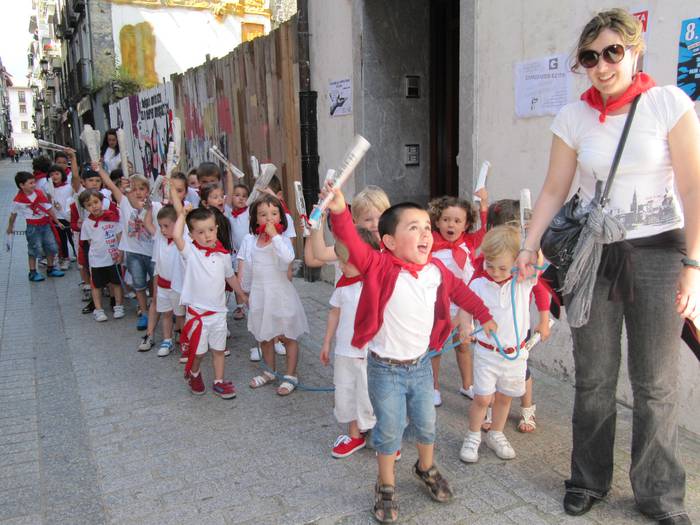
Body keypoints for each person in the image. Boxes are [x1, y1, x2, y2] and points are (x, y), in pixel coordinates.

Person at [515, 9, 700, 524]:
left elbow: (693, 187)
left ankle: (659, 497)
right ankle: (589, 480)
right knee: (594, 377)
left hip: (661, 253)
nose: (602, 65)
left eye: (612, 52)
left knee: (656, 383)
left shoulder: (667, 104)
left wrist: (694, 265)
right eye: (591, 57)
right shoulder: (573, 117)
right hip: (595, 257)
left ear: (634, 49)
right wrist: (530, 246)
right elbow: (555, 187)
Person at [322, 183, 497, 523]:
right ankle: (385, 485)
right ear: (388, 242)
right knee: (389, 431)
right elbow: (353, 242)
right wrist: (340, 209)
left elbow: (461, 291)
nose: (425, 235)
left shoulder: (435, 271)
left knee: (427, 425)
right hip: (385, 369)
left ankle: (426, 467)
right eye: (413, 228)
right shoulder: (379, 266)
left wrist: (485, 315)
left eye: (427, 228)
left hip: (419, 367)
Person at [458, 226, 550, 463]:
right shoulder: (479, 283)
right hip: (487, 353)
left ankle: (496, 434)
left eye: (502, 267)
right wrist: (465, 327)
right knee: (482, 398)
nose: (495, 272)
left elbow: (539, 261)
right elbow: (465, 307)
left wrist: (530, 247)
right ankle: (473, 435)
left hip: (515, 354)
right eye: (490, 265)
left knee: (505, 397)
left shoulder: (523, 281)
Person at [170, 185, 246, 399]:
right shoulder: (191, 252)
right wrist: (182, 216)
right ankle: (194, 372)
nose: (207, 235)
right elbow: (177, 237)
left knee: (219, 350)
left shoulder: (222, 255)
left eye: (211, 230)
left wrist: (242, 294)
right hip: (198, 315)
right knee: (200, 352)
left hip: (219, 314)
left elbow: (229, 277)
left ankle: (219, 382)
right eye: (201, 232)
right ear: (192, 235)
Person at [240, 194, 309, 396]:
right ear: (255, 219)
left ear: (281, 217)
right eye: (263, 214)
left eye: (273, 213)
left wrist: (276, 237)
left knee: (288, 335)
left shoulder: (283, 240)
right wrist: (245, 292)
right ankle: (270, 371)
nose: (268, 218)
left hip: (280, 294)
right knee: (265, 336)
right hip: (260, 294)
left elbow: (289, 258)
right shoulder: (251, 240)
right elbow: (249, 267)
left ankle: (291, 374)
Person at [319, 228, 378, 458]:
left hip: (371, 352)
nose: (341, 267)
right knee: (347, 392)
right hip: (345, 351)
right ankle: (355, 435)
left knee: (372, 394)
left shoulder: (377, 284)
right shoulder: (343, 285)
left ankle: (386, 437)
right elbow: (335, 313)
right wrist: (326, 342)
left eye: (345, 262)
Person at [427, 190, 488, 406]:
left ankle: (467, 385)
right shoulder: (430, 243)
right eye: (445, 220)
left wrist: (484, 205)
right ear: (437, 221)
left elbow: (486, 230)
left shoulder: (469, 242)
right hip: (439, 305)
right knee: (435, 347)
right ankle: (432, 387)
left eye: (457, 220)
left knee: (463, 345)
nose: (450, 225)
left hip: (464, 307)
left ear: (466, 224)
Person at [96, 162, 154, 331]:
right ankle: (144, 312)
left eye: (142, 188)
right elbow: (110, 184)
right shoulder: (124, 202)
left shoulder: (153, 205)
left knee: (155, 284)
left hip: (152, 252)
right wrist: (99, 169)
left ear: (148, 190)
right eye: (134, 188)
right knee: (139, 284)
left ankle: (156, 308)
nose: (138, 192)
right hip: (134, 252)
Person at [6, 171, 65, 281]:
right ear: (21, 185)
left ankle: (51, 268)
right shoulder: (18, 200)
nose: (34, 185)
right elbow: (13, 215)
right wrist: (10, 227)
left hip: (46, 224)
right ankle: (32, 272)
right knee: (34, 249)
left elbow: (49, 209)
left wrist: (57, 222)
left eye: (34, 182)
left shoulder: (39, 193)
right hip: (32, 227)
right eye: (31, 183)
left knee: (50, 247)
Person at [144, 204, 185, 356]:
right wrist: (156, 287)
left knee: (180, 314)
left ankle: (183, 338)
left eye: (166, 226)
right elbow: (157, 263)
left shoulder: (182, 240)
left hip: (177, 286)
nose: (162, 230)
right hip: (162, 284)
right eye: (160, 226)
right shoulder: (160, 239)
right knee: (166, 313)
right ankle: (167, 340)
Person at [79, 189, 124, 322]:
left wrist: (120, 253)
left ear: (102, 201)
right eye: (89, 205)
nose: (94, 206)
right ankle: (98, 309)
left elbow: (119, 236)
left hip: (113, 258)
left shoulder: (113, 217)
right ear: (85, 208)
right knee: (96, 285)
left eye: (96, 202)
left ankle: (118, 305)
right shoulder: (87, 223)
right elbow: (89, 242)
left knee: (116, 283)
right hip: (97, 260)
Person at [45, 164, 75, 270]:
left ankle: (77, 254)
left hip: (69, 217)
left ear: (62, 174)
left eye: (57, 174)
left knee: (72, 238)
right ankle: (65, 258)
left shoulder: (69, 187)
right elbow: (48, 203)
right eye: (52, 174)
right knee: (62, 240)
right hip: (57, 218)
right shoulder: (49, 189)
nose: (54, 176)